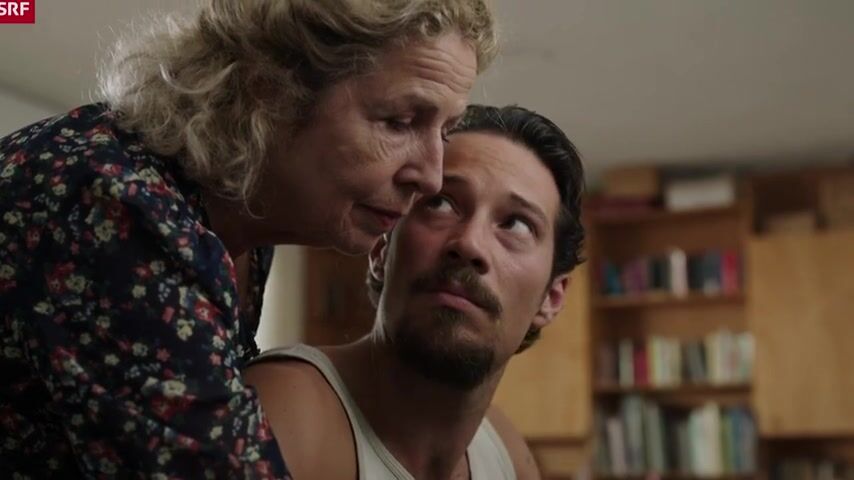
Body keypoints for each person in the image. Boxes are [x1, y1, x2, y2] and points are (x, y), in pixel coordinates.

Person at [0, 1, 496, 477]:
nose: (431, 176)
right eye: (400, 122)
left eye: (445, 131)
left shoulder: (243, 218)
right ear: (271, 92)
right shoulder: (117, 205)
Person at [245, 104, 586, 480]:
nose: (469, 243)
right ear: (381, 251)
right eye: (441, 203)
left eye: (517, 225)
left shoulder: (507, 454)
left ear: (552, 298)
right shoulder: (283, 413)